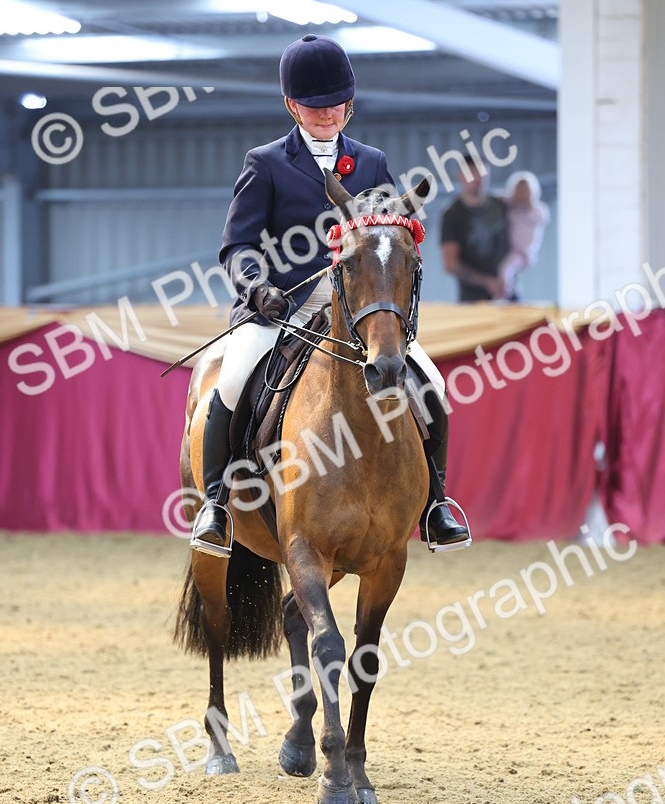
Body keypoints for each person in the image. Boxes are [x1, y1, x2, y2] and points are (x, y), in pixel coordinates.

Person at [190, 33, 471, 556]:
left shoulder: (371, 162)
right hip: (280, 311)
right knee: (230, 382)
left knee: (431, 382)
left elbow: (391, 232)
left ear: (350, 103)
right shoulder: (265, 163)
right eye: (314, 105)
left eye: (336, 103)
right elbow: (237, 246)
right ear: (292, 106)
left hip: (357, 313)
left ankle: (436, 503)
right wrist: (257, 288)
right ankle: (216, 505)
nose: (327, 113)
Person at [440, 154, 511, 302]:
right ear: (460, 176)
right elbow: (450, 264)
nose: (477, 178)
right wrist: (487, 282)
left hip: (509, 292)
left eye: (481, 173)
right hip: (472, 300)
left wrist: (507, 272)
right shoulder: (452, 214)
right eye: (471, 173)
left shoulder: (501, 205)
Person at [497, 171, 550, 298]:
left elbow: (541, 218)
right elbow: (496, 197)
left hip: (523, 253)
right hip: (508, 248)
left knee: (506, 270)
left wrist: (526, 203)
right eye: (519, 191)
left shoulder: (538, 211)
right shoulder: (512, 208)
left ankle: (505, 295)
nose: (522, 194)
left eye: (526, 191)